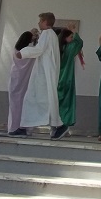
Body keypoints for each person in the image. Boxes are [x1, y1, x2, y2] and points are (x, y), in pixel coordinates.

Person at [19, 12, 68, 140]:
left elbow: (39, 50)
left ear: (45, 22)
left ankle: (55, 125)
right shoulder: (52, 35)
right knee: (44, 99)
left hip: (44, 74)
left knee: (34, 98)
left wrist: (22, 53)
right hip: (47, 72)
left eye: (40, 21)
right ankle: (30, 126)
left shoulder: (47, 34)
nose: (38, 23)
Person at [7, 29, 38, 135]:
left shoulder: (16, 49)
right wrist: (37, 39)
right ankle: (18, 127)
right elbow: (37, 51)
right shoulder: (27, 51)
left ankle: (13, 127)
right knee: (20, 104)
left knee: (14, 104)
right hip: (22, 80)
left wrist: (32, 36)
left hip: (15, 77)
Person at [58, 22, 83, 132]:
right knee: (66, 103)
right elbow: (79, 42)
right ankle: (64, 123)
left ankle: (55, 123)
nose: (72, 39)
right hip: (67, 77)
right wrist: (74, 30)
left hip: (57, 78)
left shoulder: (58, 48)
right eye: (71, 37)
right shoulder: (70, 48)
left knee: (57, 103)